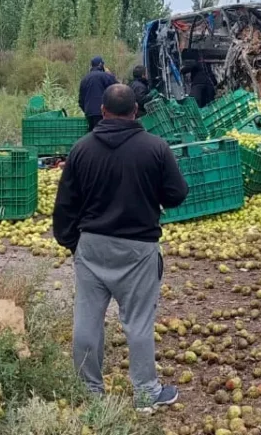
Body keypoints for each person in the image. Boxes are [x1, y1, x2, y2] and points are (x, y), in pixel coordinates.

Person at [53, 84, 189, 413]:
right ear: (136, 111)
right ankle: (145, 394)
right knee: (138, 323)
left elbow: (65, 206)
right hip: (138, 248)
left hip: (93, 246)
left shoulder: (81, 150)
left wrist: (73, 243)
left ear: (102, 111)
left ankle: (89, 392)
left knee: (87, 320)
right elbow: (176, 194)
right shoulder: (155, 148)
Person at [78, 56, 118, 131]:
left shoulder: (84, 79)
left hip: (89, 113)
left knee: (93, 135)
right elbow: (118, 89)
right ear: (100, 64)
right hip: (103, 113)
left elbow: (81, 99)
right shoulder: (105, 76)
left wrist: (86, 109)